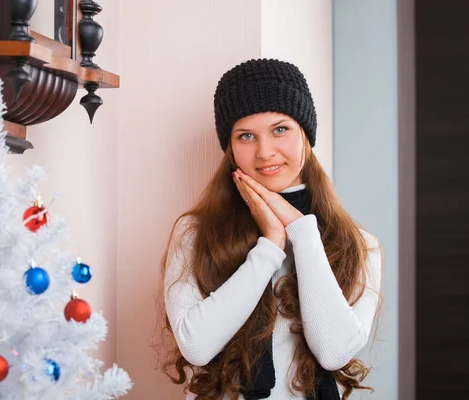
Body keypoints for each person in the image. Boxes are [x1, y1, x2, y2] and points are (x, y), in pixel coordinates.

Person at [159, 59, 383, 400]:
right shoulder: (195, 233)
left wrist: (300, 231)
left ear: (305, 136)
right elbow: (196, 346)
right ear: (231, 148)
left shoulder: (359, 245)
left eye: (280, 130)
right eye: (246, 136)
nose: (265, 152)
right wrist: (270, 246)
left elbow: (334, 351)